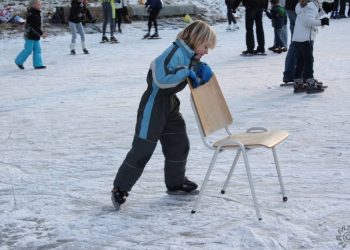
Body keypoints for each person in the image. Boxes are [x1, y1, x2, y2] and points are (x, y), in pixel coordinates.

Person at [111, 20, 217, 209]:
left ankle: (175, 182)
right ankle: (120, 187)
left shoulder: (189, 54)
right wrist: (187, 71)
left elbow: (191, 71)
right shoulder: (174, 52)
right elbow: (161, 79)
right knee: (142, 148)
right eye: (206, 46)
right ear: (196, 39)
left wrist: (200, 69)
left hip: (170, 105)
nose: (206, 51)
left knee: (179, 143)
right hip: (154, 104)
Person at [292, 0, 329, 93]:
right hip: (306, 39)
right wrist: (322, 22)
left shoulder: (302, 6)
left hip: (298, 38)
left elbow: (309, 16)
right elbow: (308, 21)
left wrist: (321, 13)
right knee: (308, 61)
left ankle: (298, 83)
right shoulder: (311, 6)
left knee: (300, 61)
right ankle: (310, 83)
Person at [15, 0, 46, 70]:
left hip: (35, 35)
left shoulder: (37, 13)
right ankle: (18, 61)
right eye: (38, 4)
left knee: (37, 50)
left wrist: (40, 32)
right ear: (33, 5)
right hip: (30, 35)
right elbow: (33, 27)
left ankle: (38, 64)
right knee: (28, 50)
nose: (40, 5)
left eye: (40, 4)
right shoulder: (32, 14)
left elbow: (37, 26)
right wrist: (41, 34)